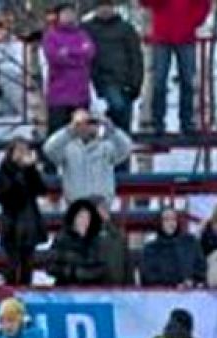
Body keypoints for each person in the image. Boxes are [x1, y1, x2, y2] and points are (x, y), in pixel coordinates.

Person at [140, 0, 210, 134]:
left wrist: (193, 21)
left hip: (186, 35)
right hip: (162, 35)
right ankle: (158, 122)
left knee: (187, 80)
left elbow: (203, 4)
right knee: (159, 81)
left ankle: (187, 122)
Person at [43, 108, 133, 206]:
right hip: (76, 205)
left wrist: (110, 127)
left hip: (102, 205)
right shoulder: (67, 148)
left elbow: (127, 147)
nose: (89, 126)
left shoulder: (106, 146)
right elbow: (49, 149)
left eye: (93, 122)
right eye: (86, 123)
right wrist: (70, 129)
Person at [0, 137, 47, 286]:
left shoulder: (31, 170)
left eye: (25, 150)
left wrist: (30, 169)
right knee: (11, 264)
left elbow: (41, 189)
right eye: (19, 150)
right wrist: (19, 176)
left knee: (28, 264)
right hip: (11, 223)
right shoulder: (4, 170)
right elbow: (3, 195)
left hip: (29, 223)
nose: (22, 154)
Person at [85, 0, 143, 134]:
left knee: (125, 117)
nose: (105, 10)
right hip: (102, 79)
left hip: (125, 79)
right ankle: (109, 131)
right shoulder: (87, 29)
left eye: (108, 6)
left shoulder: (126, 29)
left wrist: (136, 82)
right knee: (117, 106)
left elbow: (135, 56)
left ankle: (121, 142)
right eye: (101, 6)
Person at [42, 3, 97, 136]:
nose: (69, 16)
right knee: (57, 133)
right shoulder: (51, 35)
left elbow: (89, 53)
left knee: (81, 132)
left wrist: (68, 53)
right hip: (59, 94)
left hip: (81, 93)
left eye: (71, 13)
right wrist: (77, 55)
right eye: (65, 13)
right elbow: (54, 56)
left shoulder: (82, 34)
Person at [47, 198, 110, 287]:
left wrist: (82, 273)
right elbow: (51, 266)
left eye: (87, 218)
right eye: (81, 217)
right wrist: (70, 272)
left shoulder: (96, 240)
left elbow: (102, 268)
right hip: (64, 288)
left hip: (90, 289)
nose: (84, 221)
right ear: (74, 218)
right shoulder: (62, 238)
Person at [139, 206, 205, 288]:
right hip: (161, 293)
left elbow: (201, 268)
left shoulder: (191, 243)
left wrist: (193, 282)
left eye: (173, 219)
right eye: (166, 219)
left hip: (190, 292)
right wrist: (174, 285)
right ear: (160, 222)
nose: (171, 223)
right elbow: (148, 276)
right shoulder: (150, 248)